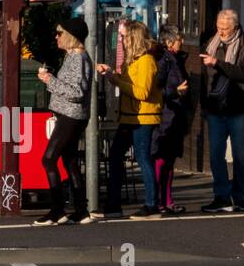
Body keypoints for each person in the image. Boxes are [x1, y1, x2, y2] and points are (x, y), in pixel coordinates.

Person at [97, 21, 163, 220]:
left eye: (125, 37)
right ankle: (113, 204)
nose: (122, 41)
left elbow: (142, 92)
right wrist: (111, 74)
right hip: (129, 116)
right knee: (116, 156)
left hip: (143, 117)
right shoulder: (132, 60)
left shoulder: (146, 61)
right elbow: (130, 83)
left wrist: (116, 80)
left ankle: (151, 205)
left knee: (143, 158)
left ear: (133, 38)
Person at [33, 18, 94, 226]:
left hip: (71, 115)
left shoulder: (78, 59)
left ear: (70, 36)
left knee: (49, 159)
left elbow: (77, 91)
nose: (56, 36)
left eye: (60, 33)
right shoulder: (72, 57)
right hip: (70, 114)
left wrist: (50, 80)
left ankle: (57, 210)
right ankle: (81, 210)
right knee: (69, 161)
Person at [200, 9, 244, 213]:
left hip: (240, 107)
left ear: (235, 27)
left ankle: (240, 196)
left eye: (225, 29)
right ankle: (221, 196)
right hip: (216, 107)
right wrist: (204, 104)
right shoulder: (211, 43)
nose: (221, 32)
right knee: (216, 154)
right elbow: (204, 77)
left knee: (241, 155)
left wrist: (217, 63)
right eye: (219, 27)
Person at [152, 26, 192, 216]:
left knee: (170, 161)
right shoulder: (163, 61)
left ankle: (168, 200)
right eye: (179, 39)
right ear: (168, 42)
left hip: (176, 116)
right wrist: (176, 92)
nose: (182, 42)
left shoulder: (177, 59)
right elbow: (156, 90)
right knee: (162, 159)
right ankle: (159, 201)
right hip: (165, 116)